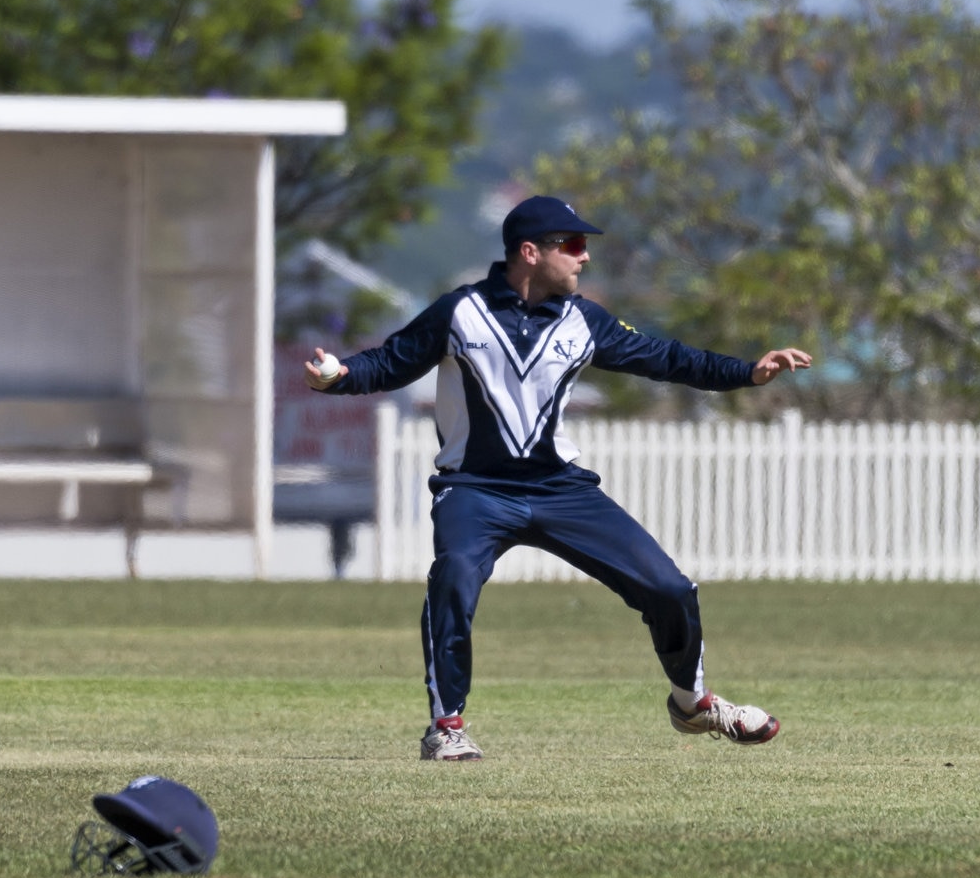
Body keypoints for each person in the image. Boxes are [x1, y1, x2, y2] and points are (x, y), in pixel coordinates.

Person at [305, 196, 812, 761]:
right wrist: (341, 377)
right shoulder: (460, 313)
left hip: (560, 489)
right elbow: (392, 361)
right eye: (572, 245)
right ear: (530, 252)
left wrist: (746, 371)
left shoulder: (583, 320)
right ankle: (446, 727)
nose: (584, 257)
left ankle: (693, 704)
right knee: (452, 580)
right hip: (475, 489)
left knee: (670, 589)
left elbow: (664, 358)